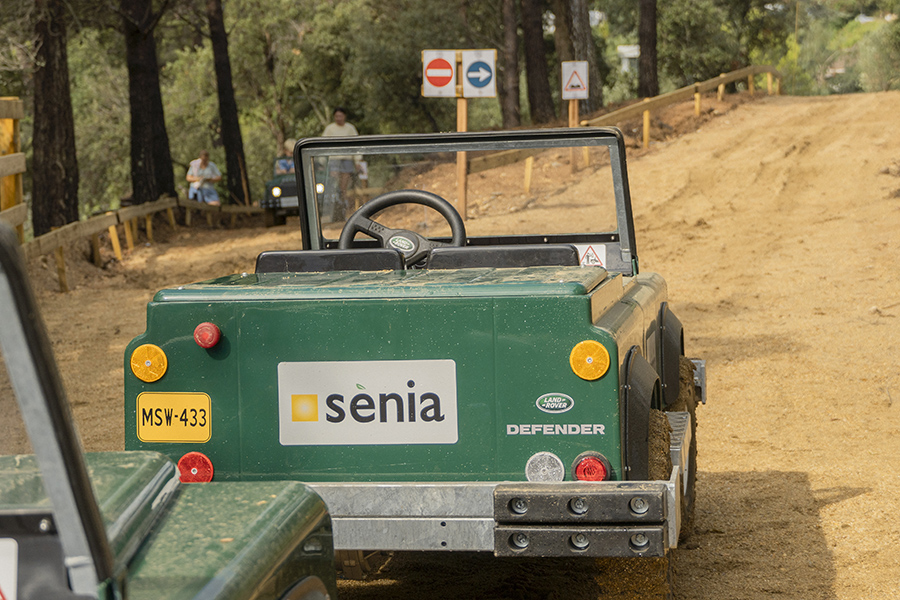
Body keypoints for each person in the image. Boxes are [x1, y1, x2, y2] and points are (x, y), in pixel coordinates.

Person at [321, 107, 362, 221]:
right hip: (334, 160)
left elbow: (356, 145)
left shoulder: (350, 128)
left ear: (344, 116)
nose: (338, 118)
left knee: (344, 187)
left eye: (340, 116)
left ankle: (343, 210)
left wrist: (357, 161)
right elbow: (323, 145)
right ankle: (333, 209)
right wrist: (324, 161)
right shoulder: (330, 129)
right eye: (336, 116)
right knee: (334, 184)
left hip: (347, 159)